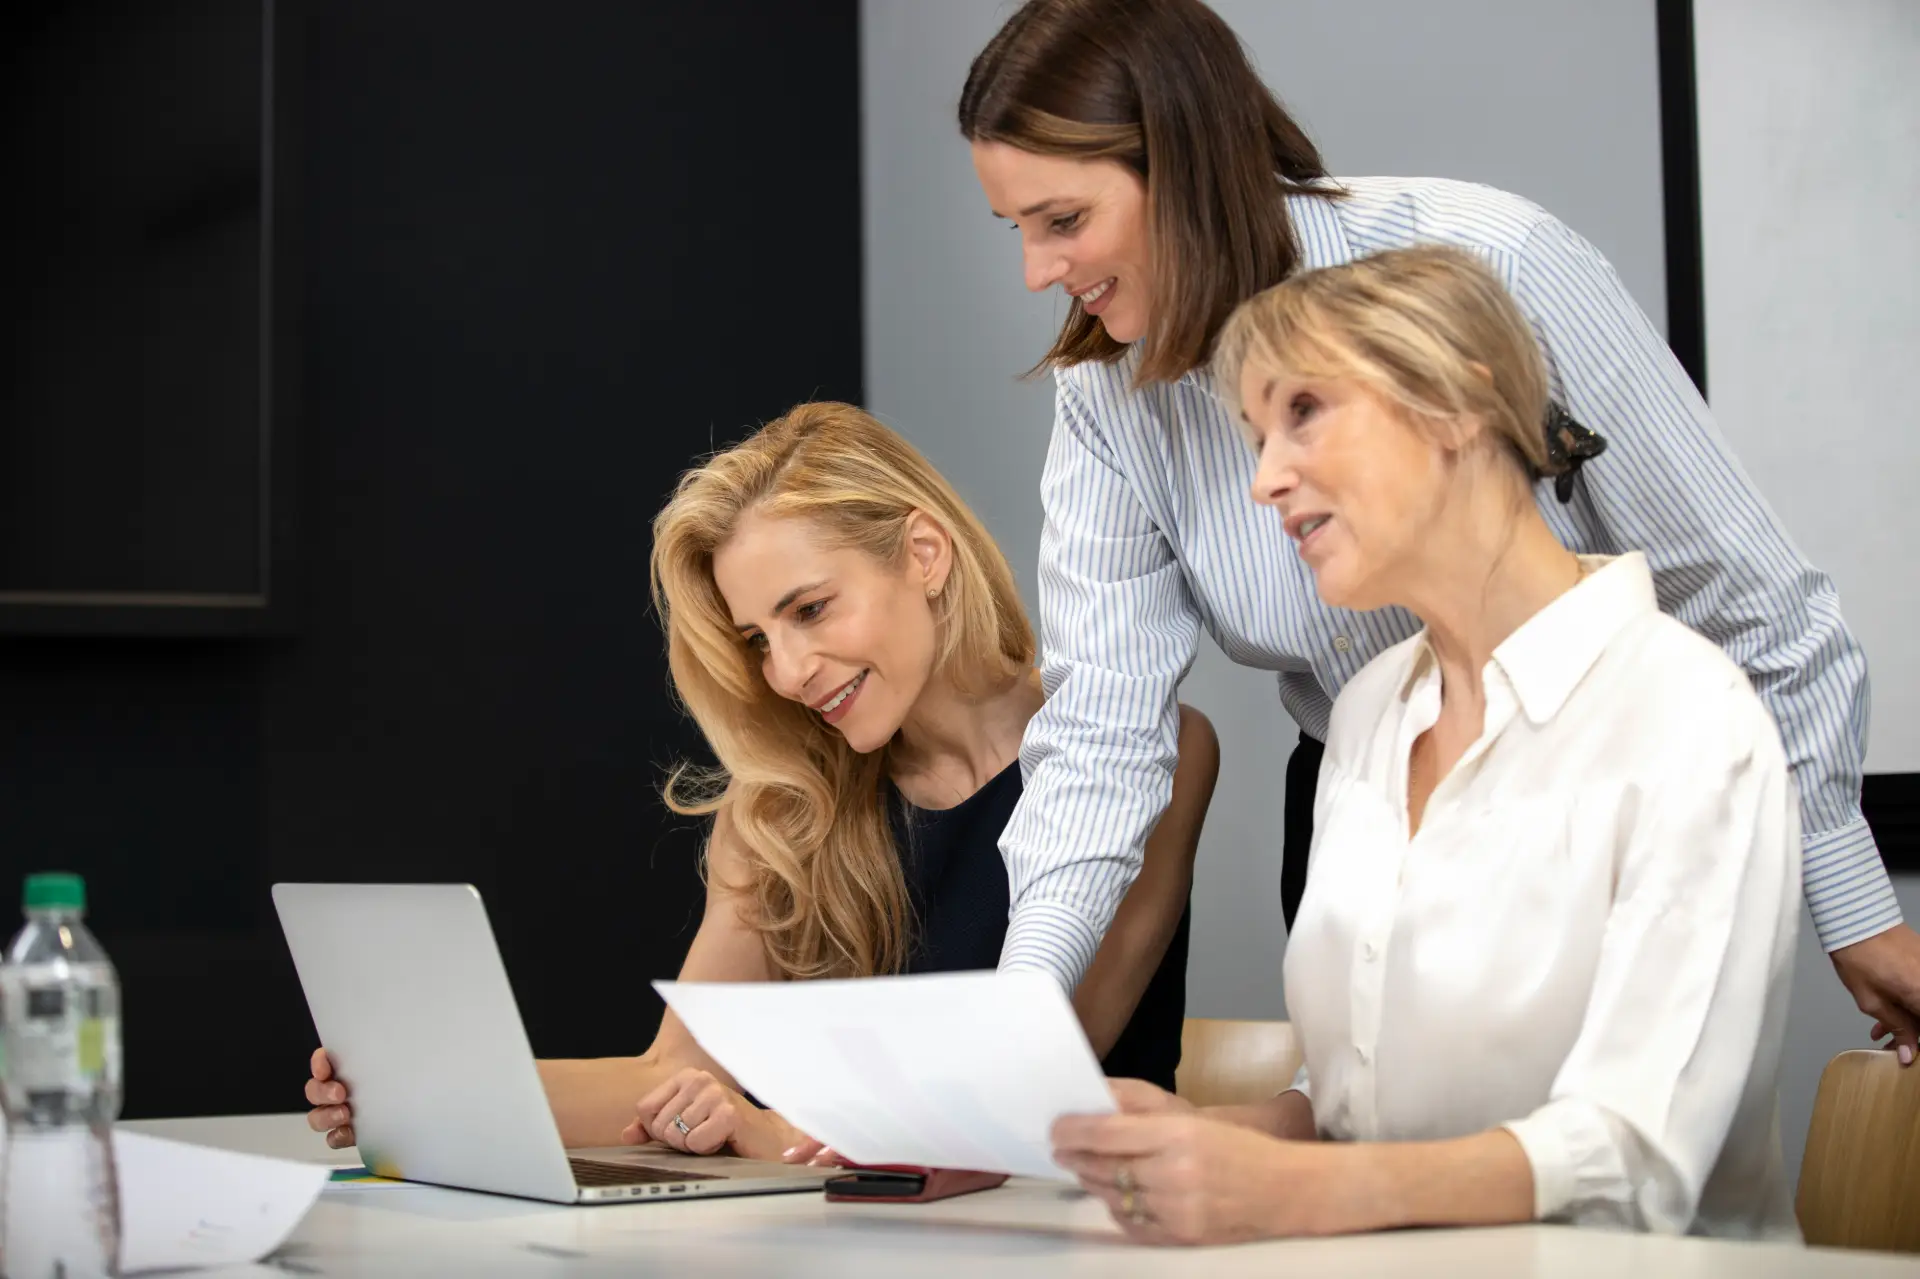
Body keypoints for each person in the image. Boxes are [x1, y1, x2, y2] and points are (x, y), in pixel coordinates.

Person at [959, 0, 1920, 1059]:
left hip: (1576, 793)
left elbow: (1743, 594)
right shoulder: (1110, 391)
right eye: (1017, 229)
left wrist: (1852, 897)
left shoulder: (1494, 259)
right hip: (1359, 795)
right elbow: (1102, 725)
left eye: (1063, 220)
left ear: (1182, 163)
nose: (1037, 273)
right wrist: (1020, 1002)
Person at [1052, 244, 1800, 1244]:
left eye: (1304, 412)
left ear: (1457, 404)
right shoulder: (1367, 713)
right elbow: (1362, 1096)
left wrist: (1293, 1189)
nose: (1264, 480)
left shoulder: (1688, 715)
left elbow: (1635, 1157)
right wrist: (1212, 1137)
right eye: (1257, 438)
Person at [302, 403, 1217, 1160]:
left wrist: (771, 1130)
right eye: (759, 640)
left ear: (924, 553)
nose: (788, 671)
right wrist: (423, 1090)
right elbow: (671, 1074)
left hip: (1083, 1233)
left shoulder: (1158, 751)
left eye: (810, 609)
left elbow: (1036, 1072)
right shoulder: (784, 805)